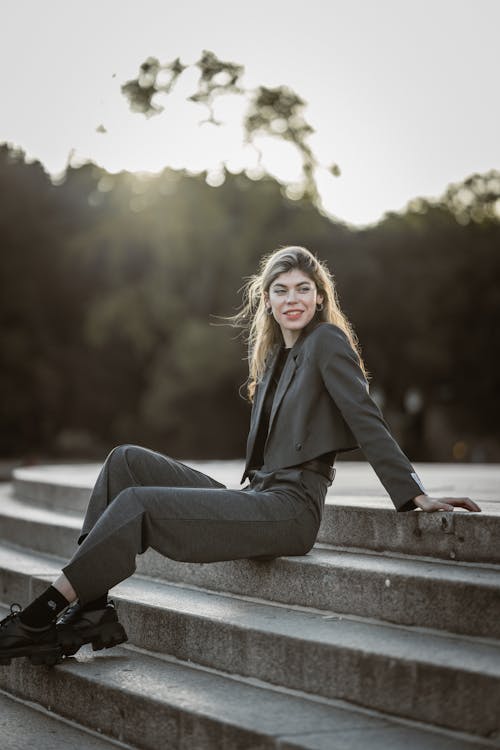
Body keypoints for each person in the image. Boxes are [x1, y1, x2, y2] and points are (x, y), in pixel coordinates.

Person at [0, 246, 480, 666]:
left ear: (319, 297)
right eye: (280, 289)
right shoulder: (274, 359)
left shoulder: (327, 343)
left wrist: (414, 493)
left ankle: (40, 618)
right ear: (266, 300)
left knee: (138, 504)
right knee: (124, 460)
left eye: (303, 288)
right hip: (260, 495)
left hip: (290, 509)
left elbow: (364, 417)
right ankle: (91, 610)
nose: (292, 298)